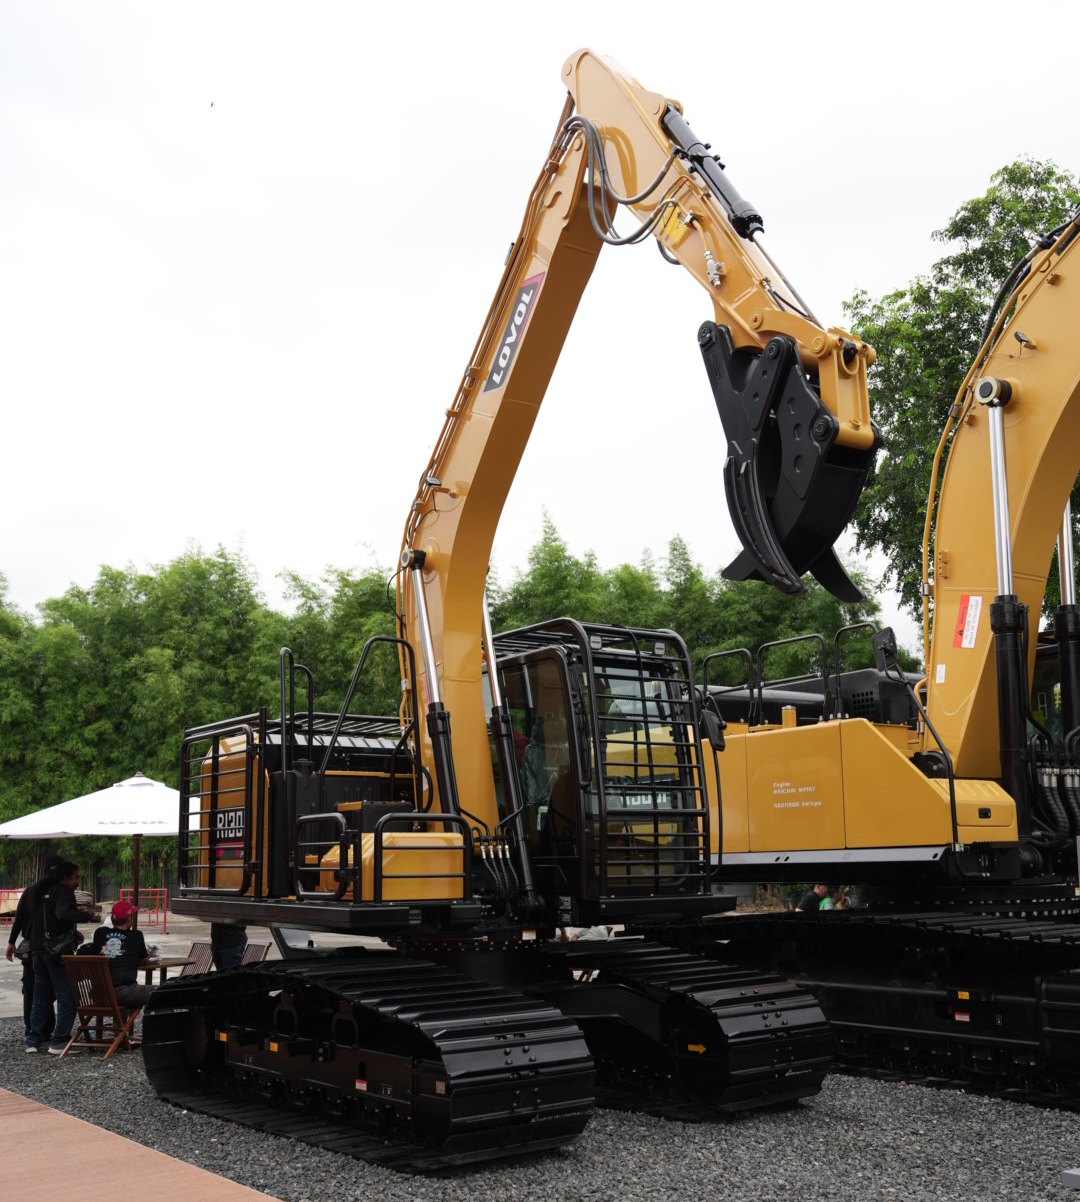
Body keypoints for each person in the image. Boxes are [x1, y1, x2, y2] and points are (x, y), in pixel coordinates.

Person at [26, 860, 98, 1054]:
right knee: (67, 995)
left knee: (40, 997)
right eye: (75, 878)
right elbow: (63, 914)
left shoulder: (43, 891)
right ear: (65, 878)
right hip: (56, 953)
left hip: (39, 949)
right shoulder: (63, 892)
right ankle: (59, 1040)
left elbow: (48, 921)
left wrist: (73, 934)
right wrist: (86, 915)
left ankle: (33, 1040)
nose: (77, 882)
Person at [4, 853, 64, 1041]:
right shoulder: (59, 892)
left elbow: (19, 918)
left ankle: (34, 1029)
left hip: (31, 947)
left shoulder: (31, 890)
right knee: (55, 990)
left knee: (33, 990)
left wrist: (11, 942)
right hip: (54, 948)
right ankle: (50, 1030)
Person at [91, 900, 153, 1009]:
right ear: (129, 918)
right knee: (163, 992)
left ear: (112, 919)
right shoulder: (136, 935)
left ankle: (120, 1020)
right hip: (121, 993)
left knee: (131, 990)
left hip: (98, 993)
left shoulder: (99, 933)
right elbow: (141, 960)